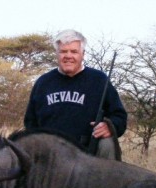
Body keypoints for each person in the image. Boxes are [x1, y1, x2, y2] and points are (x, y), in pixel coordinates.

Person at [24, 29, 127, 160]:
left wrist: (110, 126)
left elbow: (120, 117)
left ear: (83, 54)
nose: (68, 56)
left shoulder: (99, 80)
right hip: (50, 154)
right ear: (57, 54)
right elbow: (30, 123)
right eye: (63, 51)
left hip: (88, 153)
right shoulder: (43, 82)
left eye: (74, 51)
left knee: (107, 143)